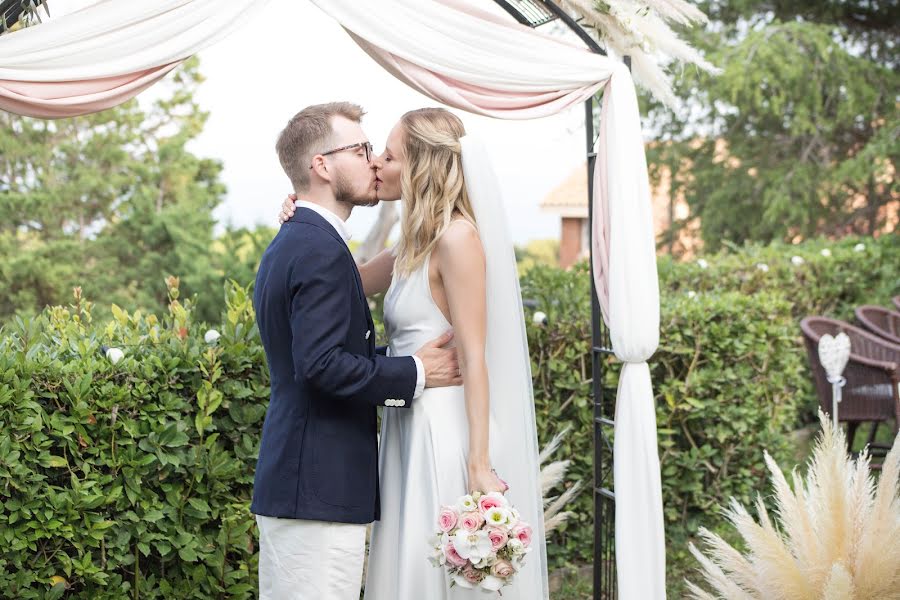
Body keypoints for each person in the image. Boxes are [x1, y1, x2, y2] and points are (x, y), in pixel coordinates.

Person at [278, 107, 549, 599]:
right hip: (405, 423)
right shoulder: (412, 245)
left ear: (422, 166)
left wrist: (479, 461)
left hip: (441, 431)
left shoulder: (458, 239)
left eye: (389, 155)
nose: (376, 163)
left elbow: (474, 356)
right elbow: (342, 280)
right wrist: (304, 219)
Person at [252, 102, 463, 600]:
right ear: (321, 165)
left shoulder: (304, 239)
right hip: (315, 491)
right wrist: (414, 371)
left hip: (306, 488)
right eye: (362, 149)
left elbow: (325, 349)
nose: (373, 161)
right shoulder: (319, 249)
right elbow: (321, 365)